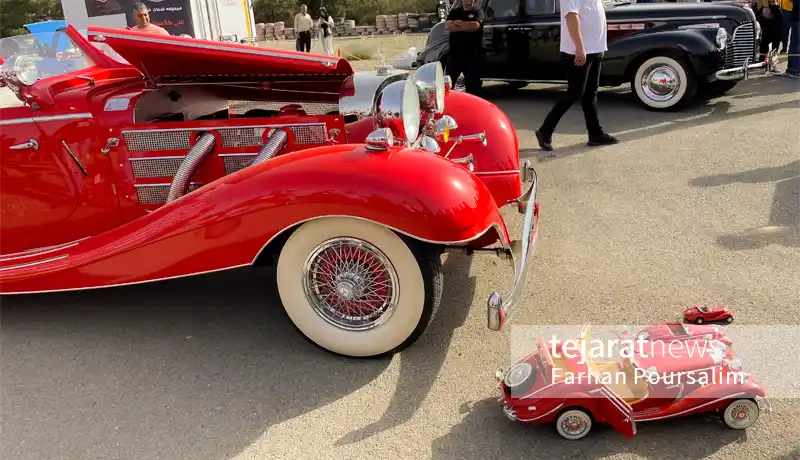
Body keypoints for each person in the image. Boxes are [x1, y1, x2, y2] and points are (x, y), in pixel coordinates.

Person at [535, 0, 619, 151]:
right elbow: (571, 16)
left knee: (590, 93)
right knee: (575, 93)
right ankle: (545, 130)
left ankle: (595, 134)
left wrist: (598, 45)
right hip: (579, 51)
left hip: (594, 49)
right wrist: (579, 47)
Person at [444, 0, 484, 95]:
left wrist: (459, 23)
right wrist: (465, 26)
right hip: (455, 55)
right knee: (447, 83)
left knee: (473, 86)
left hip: (471, 56)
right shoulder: (455, 12)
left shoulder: (478, 12)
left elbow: (475, 26)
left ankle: (472, 103)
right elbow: (448, 26)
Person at [784, 0, 799, 77]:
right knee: (796, 43)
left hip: (795, 16)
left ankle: (792, 68)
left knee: (794, 42)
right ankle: (796, 68)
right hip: (797, 17)